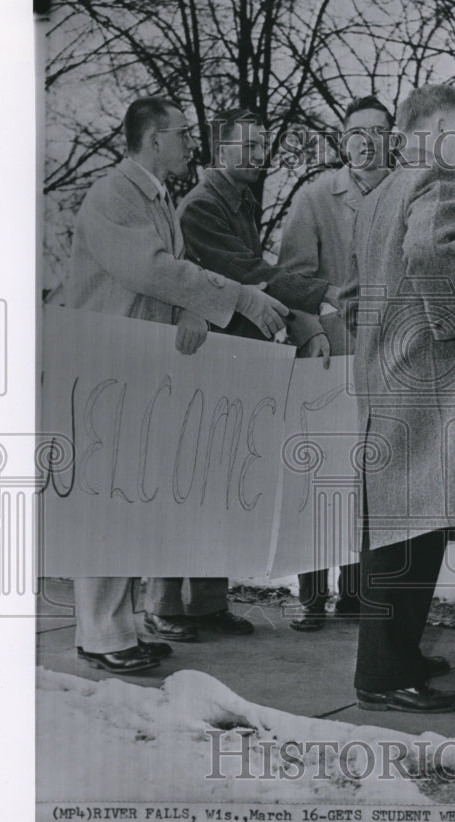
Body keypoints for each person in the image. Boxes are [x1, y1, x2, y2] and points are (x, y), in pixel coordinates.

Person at [62, 96, 289, 672]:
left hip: (136, 368)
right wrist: (235, 297)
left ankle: (120, 629)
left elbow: (171, 273)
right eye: (183, 134)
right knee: (108, 505)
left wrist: (195, 313)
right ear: (153, 138)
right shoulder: (115, 194)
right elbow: (153, 270)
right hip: (109, 367)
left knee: (127, 501)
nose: (192, 143)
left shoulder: (153, 197)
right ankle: (103, 637)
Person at [338, 84, 455, 713]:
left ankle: (399, 655)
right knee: (411, 531)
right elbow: (426, 255)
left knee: (404, 522)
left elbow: (361, 287)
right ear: (436, 127)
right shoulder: (443, 180)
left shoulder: (383, 188)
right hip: (431, 381)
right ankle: (384, 677)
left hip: (392, 379)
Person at [144, 108, 336, 642]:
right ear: (217, 150)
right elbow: (246, 275)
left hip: (224, 356)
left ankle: (205, 602)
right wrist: (316, 299)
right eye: (245, 146)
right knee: (185, 483)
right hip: (195, 356)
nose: (256, 154)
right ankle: (163, 604)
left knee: (216, 482)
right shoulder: (204, 205)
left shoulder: (239, 201)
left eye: (261, 145)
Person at [278, 95, 394, 631]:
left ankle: (354, 590)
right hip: (329, 355)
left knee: (369, 476)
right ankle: (310, 593)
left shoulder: (405, 192)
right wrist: (310, 332)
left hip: (389, 357)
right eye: (356, 132)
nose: (366, 141)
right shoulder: (317, 195)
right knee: (320, 472)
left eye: (378, 130)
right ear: (342, 140)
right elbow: (292, 278)